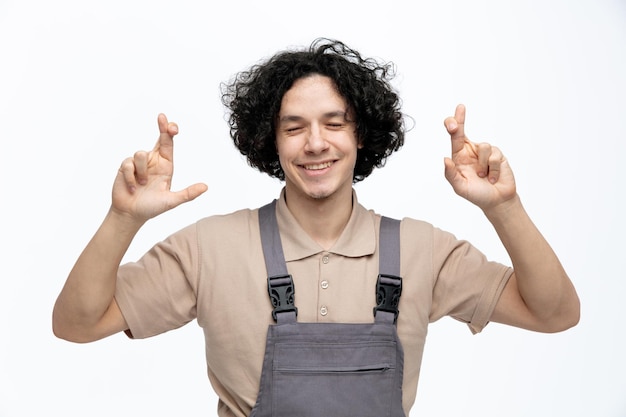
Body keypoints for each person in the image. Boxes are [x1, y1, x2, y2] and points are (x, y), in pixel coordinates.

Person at [52, 38, 580, 417]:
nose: (316, 143)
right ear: (270, 142)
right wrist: (123, 218)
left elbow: (555, 313)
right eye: (294, 127)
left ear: (363, 135)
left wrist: (503, 206)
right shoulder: (209, 247)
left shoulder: (424, 250)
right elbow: (76, 324)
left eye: (334, 123)